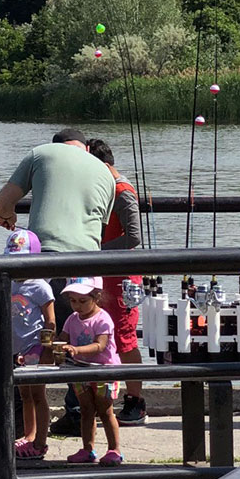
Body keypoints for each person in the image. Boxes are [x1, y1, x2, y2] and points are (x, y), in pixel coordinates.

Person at [0, 127, 114, 436]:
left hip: (44, 259)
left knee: (32, 338)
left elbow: (3, 202)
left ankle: (26, 425)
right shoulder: (105, 171)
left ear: (57, 145)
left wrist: (7, 217)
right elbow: (94, 225)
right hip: (88, 265)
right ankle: (79, 414)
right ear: (86, 148)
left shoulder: (40, 154)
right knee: (80, 339)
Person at [87, 138, 146, 426]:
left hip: (122, 277)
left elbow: (134, 237)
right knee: (103, 334)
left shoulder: (123, 191)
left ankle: (136, 401)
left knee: (125, 338)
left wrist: (99, 251)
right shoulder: (106, 190)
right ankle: (108, 398)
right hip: (106, 275)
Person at [56, 277, 124, 466]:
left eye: (83, 301)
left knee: (105, 410)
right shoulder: (72, 319)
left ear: (97, 297)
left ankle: (114, 449)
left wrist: (76, 349)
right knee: (85, 410)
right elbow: (63, 339)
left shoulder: (103, 319)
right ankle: (88, 448)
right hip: (80, 369)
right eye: (73, 301)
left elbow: (100, 345)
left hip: (104, 370)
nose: (77, 306)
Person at [3, 229, 56, 460]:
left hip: (34, 345)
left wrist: (46, 348)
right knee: (24, 394)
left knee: (38, 394)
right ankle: (29, 434)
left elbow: (51, 320)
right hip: (15, 347)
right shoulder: (9, 283)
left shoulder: (40, 286)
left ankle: (40, 440)